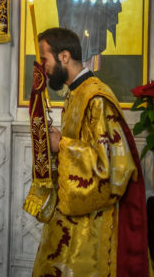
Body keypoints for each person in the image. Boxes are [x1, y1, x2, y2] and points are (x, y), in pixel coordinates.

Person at [32, 27, 149, 277]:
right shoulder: (76, 93)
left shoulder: (96, 98)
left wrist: (61, 145)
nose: (43, 67)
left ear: (64, 57)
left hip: (92, 227)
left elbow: (111, 166)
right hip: (73, 216)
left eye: (45, 59)